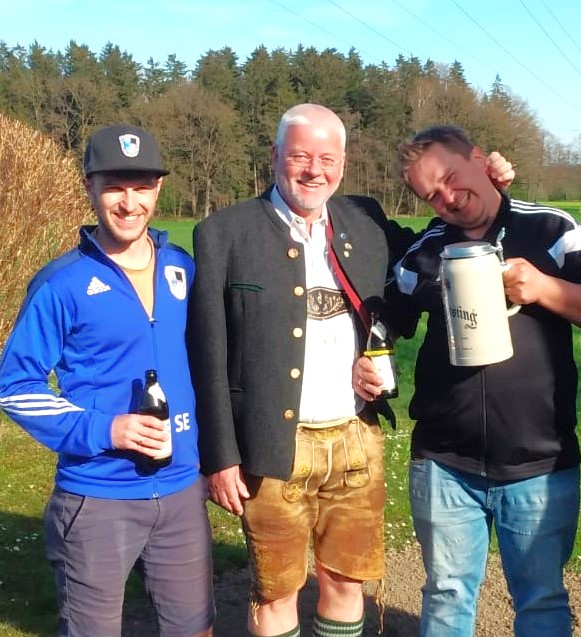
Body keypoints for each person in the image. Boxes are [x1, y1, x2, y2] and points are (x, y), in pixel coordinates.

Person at [353, 124, 581, 637]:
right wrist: (370, 357)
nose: (448, 198)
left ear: (479, 158)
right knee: (447, 597)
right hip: (444, 462)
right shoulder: (426, 251)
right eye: (432, 195)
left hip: (539, 461)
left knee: (541, 602)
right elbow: (385, 320)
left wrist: (544, 288)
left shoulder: (550, 229)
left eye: (451, 177)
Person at [188, 104, 416, 637]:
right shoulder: (224, 232)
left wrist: (380, 355)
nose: (315, 170)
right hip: (271, 445)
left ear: (344, 163)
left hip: (356, 438)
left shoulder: (366, 222)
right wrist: (220, 456)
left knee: (346, 582)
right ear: (274, 157)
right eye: (300, 157)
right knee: (276, 590)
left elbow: (424, 265)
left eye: (327, 159)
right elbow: (207, 352)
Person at [0, 124, 213, 637]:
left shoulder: (183, 269)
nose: (129, 203)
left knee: (196, 629)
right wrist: (105, 429)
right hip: (98, 496)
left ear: (158, 189)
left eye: (141, 187)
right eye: (114, 187)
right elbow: (14, 387)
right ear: (90, 187)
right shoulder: (62, 282)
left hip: (182, 491)